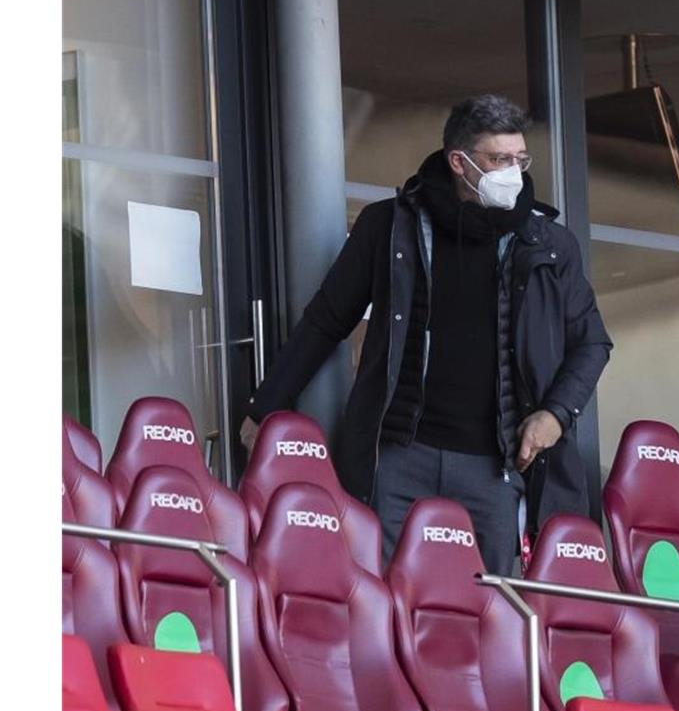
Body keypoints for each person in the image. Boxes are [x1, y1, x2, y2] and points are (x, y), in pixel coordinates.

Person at [241, 94, 612, 575]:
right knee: (385, 598)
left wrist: (555, 415)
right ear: (459, 162)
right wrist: (266, 407)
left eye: (521, 160)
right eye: (500, 160)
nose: (514, 173)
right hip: (398, 457)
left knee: (488, 606)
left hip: (496, 465)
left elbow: (592, 343)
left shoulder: (547, 243)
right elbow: (325, 321)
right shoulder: (388, 227)